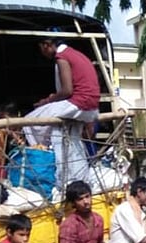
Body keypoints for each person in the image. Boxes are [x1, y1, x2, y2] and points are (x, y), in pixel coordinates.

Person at [24, 36, 101, 189]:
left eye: (42, 49)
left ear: (46, 45)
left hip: (78, 103)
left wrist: (47, 101)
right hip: (91, 105)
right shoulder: (77, 54)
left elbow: (66, 90)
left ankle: (42, 153)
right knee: (69, 138)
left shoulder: (62, 57)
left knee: (29, 120)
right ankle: (74, 176)